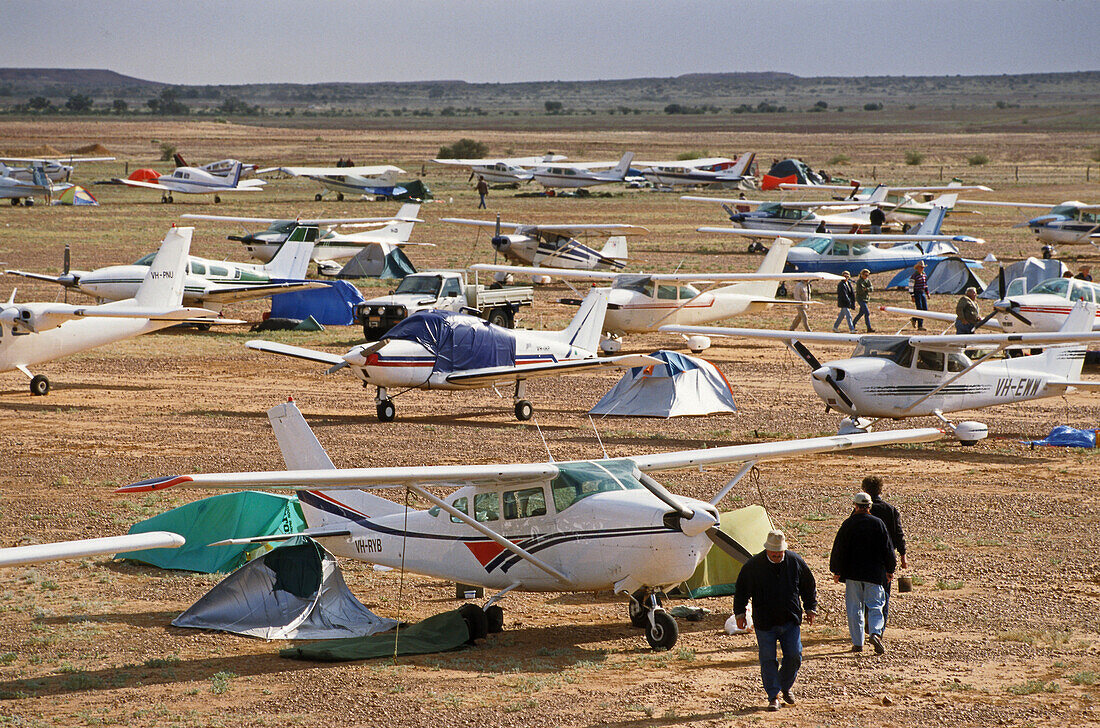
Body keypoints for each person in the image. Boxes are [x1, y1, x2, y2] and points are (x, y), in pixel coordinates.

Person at [733, 529, 817, 712]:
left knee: (795, 656)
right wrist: (740, 614)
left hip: (790, 620)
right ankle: (774, 696)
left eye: (780, 554)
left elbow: (808, 586)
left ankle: (784, 686)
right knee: (768, 659)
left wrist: (810, 608)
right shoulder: (753, 566)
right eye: (774, 555)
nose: (778, 557)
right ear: (767, 551)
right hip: (765, 622)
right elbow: (741, 591)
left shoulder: (795, 561)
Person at [830, 492, 896, 654]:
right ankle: (875, 633)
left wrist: (836, 570)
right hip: (874, 574)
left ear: (855, 505)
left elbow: (839, 549)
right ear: (869, 506)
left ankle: (858, 643)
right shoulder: (879, 524)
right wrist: (890, 569)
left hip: (852, 574)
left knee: (855, 608)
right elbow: (888, 549)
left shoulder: (848, 524)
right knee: (875, 606)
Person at [861, 476, 907, 629]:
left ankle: (866, 625)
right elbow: (898, 534)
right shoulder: (890, 510)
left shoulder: (862, 509)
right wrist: (903, 556)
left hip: (865, 557)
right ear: (880, 490)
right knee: (884, 595)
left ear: (864, 490)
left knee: (864, 593)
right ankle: (879, 629)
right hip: (885, 558)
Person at [910, 261, 928, 330]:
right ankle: (920, 326)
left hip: (922, 292)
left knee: (925, 309)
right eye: (921, 267)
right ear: (918, 268)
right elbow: (911, 286)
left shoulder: (924, 275)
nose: (922, 269)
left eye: (923, 267)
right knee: (919, 309)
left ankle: (914, 319)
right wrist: (912, 295)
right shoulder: (914, 276)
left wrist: (927, 292)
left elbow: (925, 284)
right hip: (917, 293)